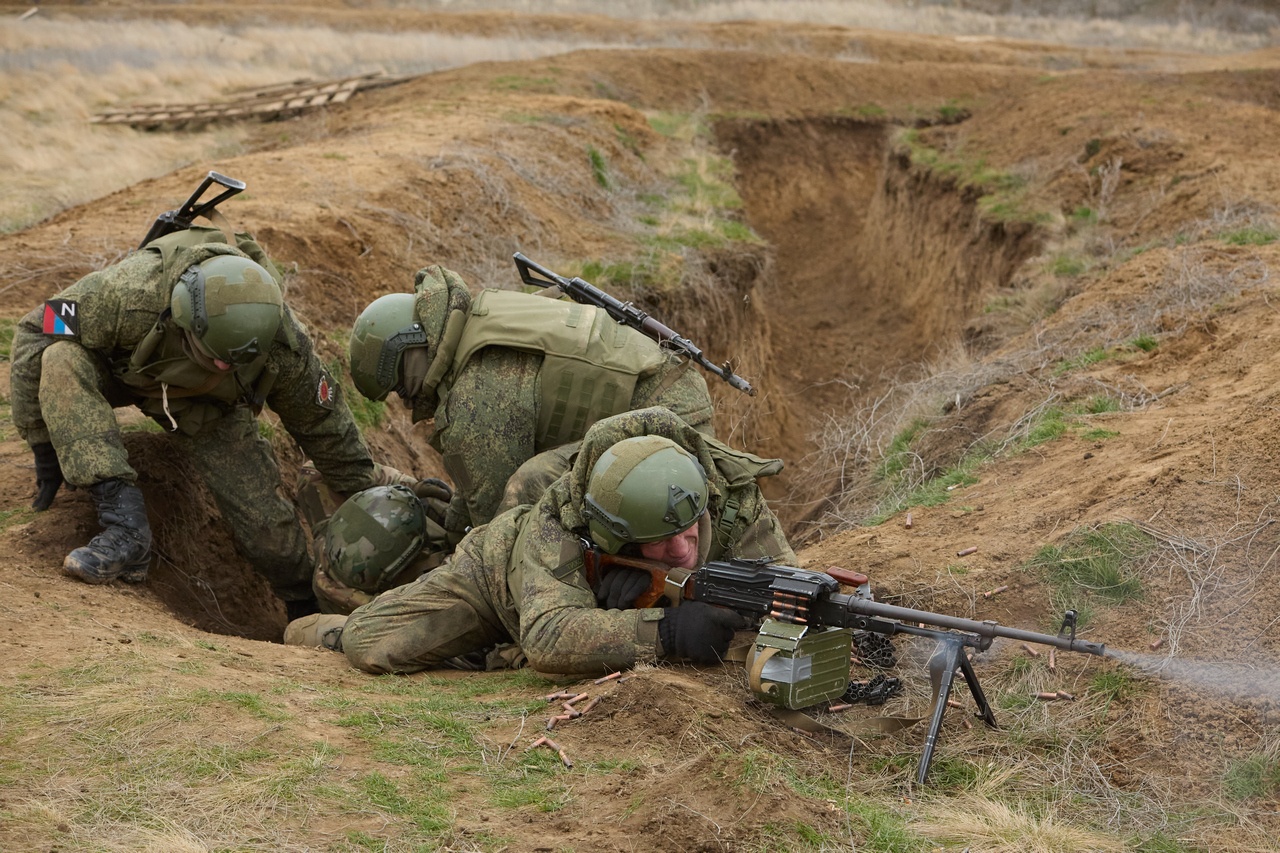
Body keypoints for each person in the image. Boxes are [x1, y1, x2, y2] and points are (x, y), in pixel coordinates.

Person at [9, 224, 408, 618]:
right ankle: (125, 529)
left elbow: (326, 426)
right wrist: (42, 440)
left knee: (268, 531)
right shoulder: (126, 296)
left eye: (234, 360)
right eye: (216, 355)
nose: (224, 364)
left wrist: (363, 496)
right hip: (122, 370)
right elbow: (33, 328)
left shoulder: (282, 343)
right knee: (59, 358)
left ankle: (303, 603)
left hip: (207, 409)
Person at [284, 406, 795, 676]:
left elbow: (784, 586)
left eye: (689, 533)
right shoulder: (562, 517)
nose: (683, 550)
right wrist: (667, 631)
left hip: (561, 602)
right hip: (495, 584)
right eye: (662, 543)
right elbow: (551, 637)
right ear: (611, 533)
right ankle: (312, 627)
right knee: (368, 645)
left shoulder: (734, 500)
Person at [346, 264, 717, 545]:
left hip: (667, 424)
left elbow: (495, 519)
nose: (405, 398)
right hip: (669, 388)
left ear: (410, 351)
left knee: (528, 488)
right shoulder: (480, 316)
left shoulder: (475, 399)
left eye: (400, 384)